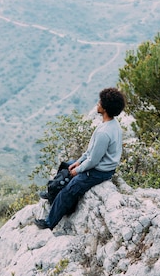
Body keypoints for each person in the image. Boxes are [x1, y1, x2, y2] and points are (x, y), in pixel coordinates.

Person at [34, 87, 126, 230]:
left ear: (105, 108)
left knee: (69, 190)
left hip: (99, 172)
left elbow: (93, 161)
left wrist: (78, 170)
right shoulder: (110, 124)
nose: (97, 103)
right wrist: (77, 162)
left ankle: (49, 223)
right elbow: (90, 151)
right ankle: (52, 192)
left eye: (100, 102)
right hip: (97, 165)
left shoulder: (104, 133)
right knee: (66, 165)